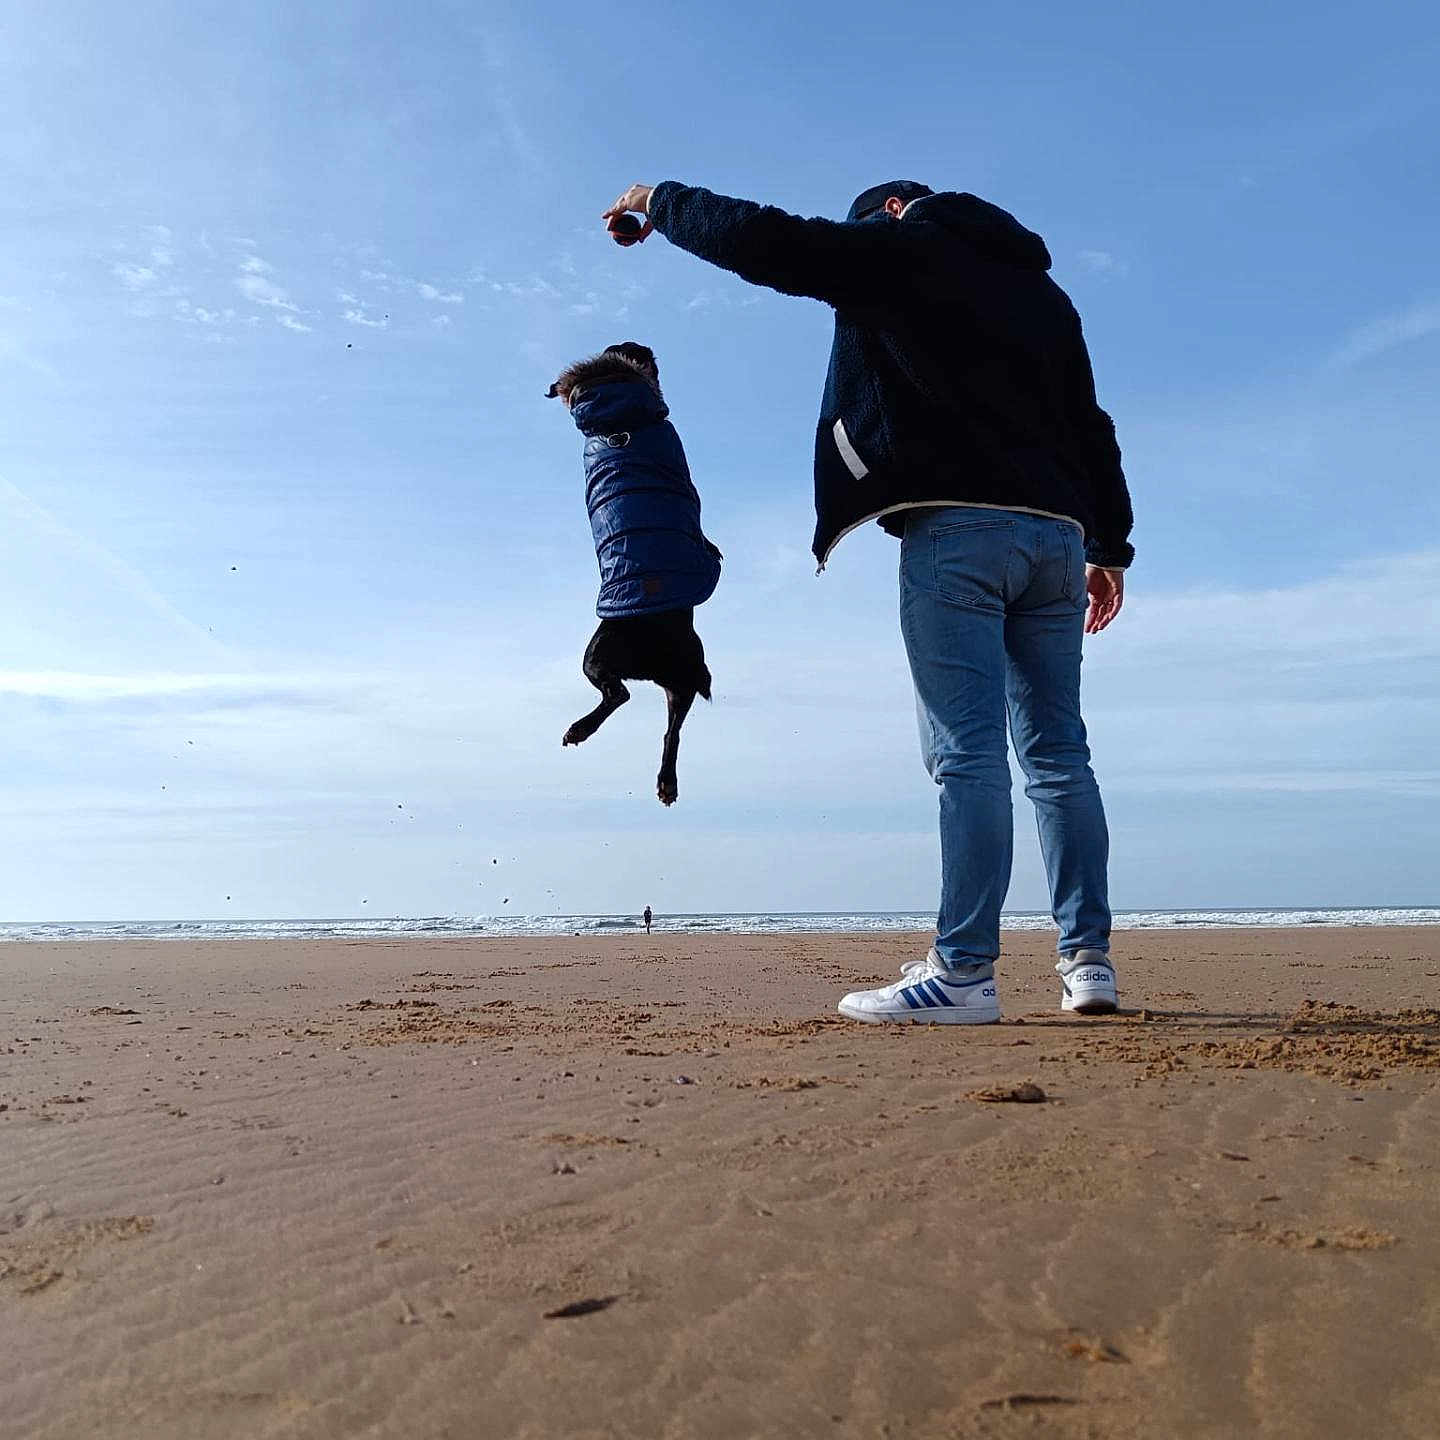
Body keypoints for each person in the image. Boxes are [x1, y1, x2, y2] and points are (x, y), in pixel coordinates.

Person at [602, 179, 1133, 1024]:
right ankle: (1088, 963)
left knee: (967, 756)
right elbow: (1091, 422)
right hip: (1059, 541)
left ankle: (963, 974)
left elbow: (776, 244)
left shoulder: (909, 248)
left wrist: (662, 200)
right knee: (1060, 756)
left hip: (959, 535)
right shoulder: (1043, 291)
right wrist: (1111, 546)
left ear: (888, 212)